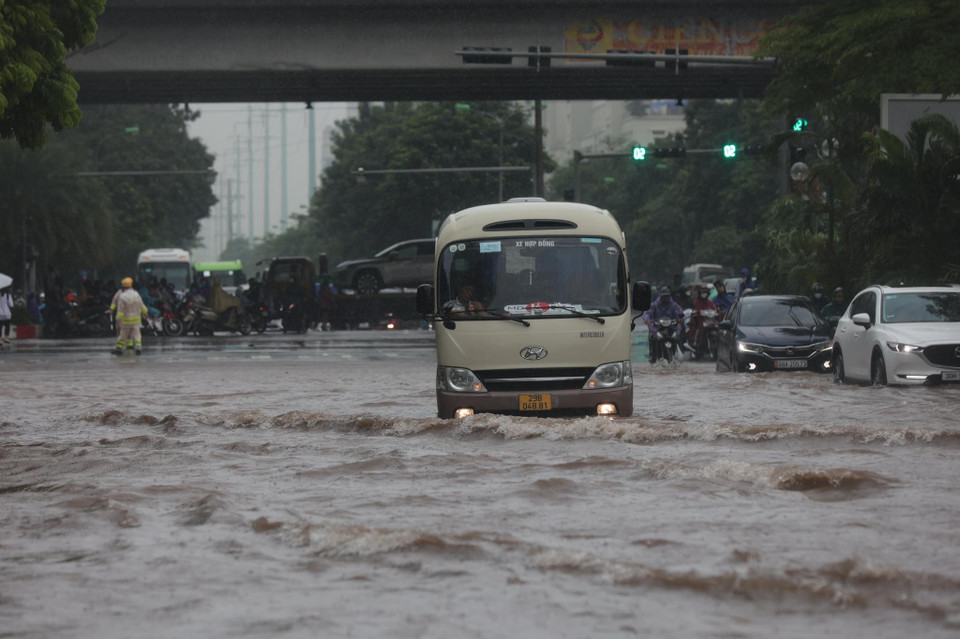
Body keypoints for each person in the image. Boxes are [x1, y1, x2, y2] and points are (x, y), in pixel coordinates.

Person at [641, 286, 684, 363]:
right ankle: (653, 355)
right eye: (664, 296)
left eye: (667, 296)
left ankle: (678, 351)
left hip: (671, 327)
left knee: (677, 337)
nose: (666, 298)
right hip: (657, 327)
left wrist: (680, 319)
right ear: (661, 296)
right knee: (653, 338)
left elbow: (679, 313)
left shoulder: (673, 305)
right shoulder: (654, 305)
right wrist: (647, 320)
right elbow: (647, 313)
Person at [110, 277, 148, 355]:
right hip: (136, 320)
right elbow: (141, 305)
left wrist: (117, 318)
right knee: (137, 334)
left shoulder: (122, 296)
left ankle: (119, 349)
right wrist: (145, 313)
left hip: (126, 320)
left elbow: (120, 309)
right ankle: (138, 348)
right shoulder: (136, 294)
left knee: (123, 335)